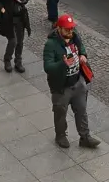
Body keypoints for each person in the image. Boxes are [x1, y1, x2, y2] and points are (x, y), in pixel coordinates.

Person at [42, 14, 101, 150]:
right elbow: (48, 67)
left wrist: (83, 55)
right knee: (60, 113)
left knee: (81, 110)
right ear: (59, 29)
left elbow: (82, 47)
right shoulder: (51, 44)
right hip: (62, 87)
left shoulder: (74, 36)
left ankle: (85, 137)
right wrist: (63, 64)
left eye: (71, 28)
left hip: (77, 81)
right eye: (67, 29)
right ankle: (61, 135)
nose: (70, 31)